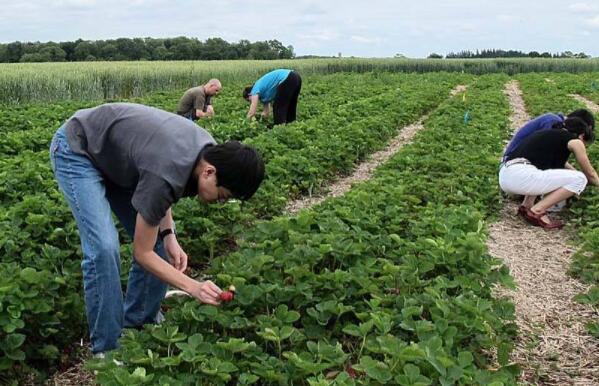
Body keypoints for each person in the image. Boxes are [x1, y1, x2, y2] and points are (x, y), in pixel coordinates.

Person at [49, 103, 264, 355]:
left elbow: (161, 191)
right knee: (104, 248)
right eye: (223, 195)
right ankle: (107, 349)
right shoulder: (173, 168)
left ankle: (140, 320)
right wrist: (192, 286)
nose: (222, 201)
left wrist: (169, 234)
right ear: (209, 172)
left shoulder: (209, 154)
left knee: (161, 243)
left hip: (119, 160)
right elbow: (144, 248)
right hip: (79, 148)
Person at [499, 117, 599, 229]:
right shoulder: (575, 141)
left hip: (506, 175)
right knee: (580, 179)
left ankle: (527, 206)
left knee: (541, 172)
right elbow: (590, 173)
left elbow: (554, 169)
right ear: (581, 135)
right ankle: (537, 210)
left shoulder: (547, 135)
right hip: (520, 176)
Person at [502, 108, 595, 163]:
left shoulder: (557, 122)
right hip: (512, 162)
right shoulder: (552, 122)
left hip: (516, 163)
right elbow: (544, 154)